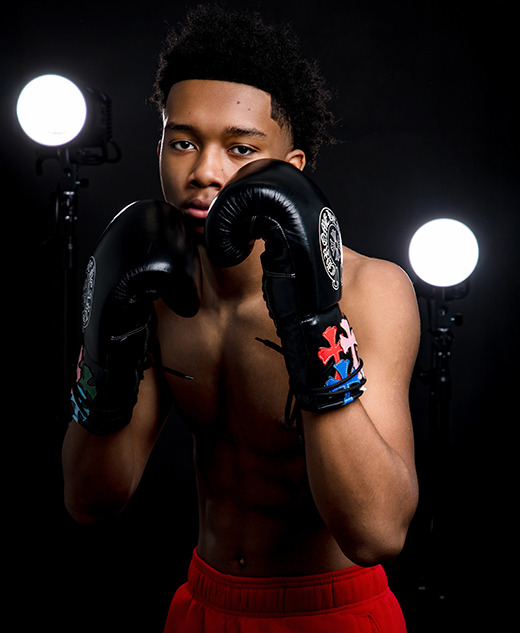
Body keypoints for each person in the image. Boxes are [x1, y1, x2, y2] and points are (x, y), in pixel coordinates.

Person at [62, 4, 420, 631]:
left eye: (240, 147)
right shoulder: (152, 284)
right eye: (183, 142)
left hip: (333, 611)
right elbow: (91, 498)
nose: (204, 171)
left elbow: (377, 533)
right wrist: (105, 345)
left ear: (294, 168)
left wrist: (313, 320)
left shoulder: (373, 292)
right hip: (205, 602)